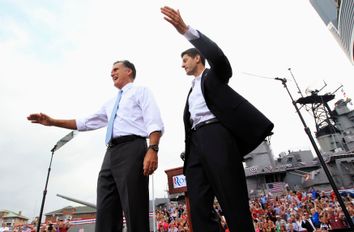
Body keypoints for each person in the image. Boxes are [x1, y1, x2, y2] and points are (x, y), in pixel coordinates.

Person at [161, 6, 273, 232]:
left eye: (185, 59)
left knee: (231, 198)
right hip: (194, 144)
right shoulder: (191, 91)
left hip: (217, 136)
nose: (182, 64)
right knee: (198, 204)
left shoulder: (214, 76)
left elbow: (219, 57)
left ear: (197, 58)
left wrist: (186, 30)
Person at [27, 60, 164, 232]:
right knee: (106, 207)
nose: (111, 73)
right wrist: (53, 121)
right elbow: (85, 122)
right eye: (111, 71)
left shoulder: (141, 91)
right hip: (111, 152)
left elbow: (154, 121)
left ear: (129, 71)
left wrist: (153, 149)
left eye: (116, 69)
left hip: (132, 148)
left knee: (134, 206)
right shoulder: (111, 103)